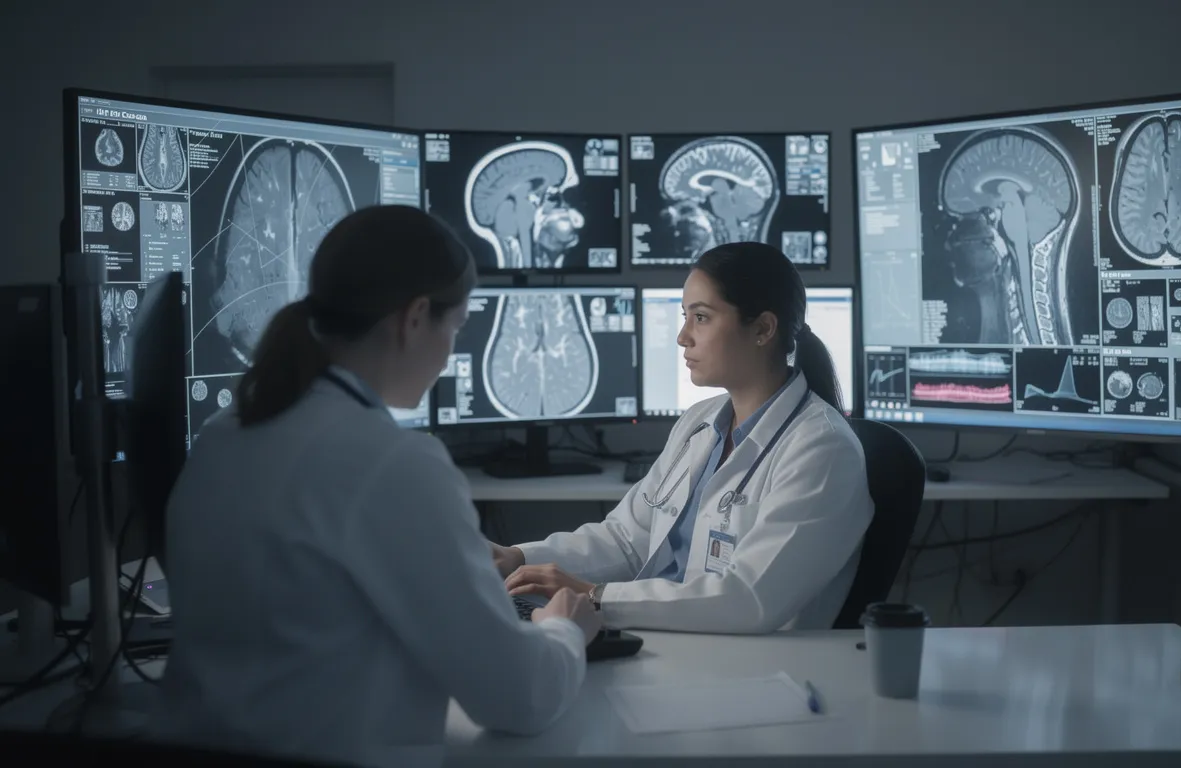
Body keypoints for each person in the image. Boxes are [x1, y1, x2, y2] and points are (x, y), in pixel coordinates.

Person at [153, 206, 601, 765]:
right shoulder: (392, 462)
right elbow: (517, 700)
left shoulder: (228, 431)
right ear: (415, 318)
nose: (451, 352)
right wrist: (565, 633)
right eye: (456, 327)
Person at [492, 242, 874, 634]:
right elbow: (628, 539)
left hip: (750, 667)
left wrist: (595, 596)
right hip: (669, 639)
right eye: (684, 317)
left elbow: (748, 599)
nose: (682, 337)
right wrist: (518, 557)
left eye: (701, 318)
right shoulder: (699, 422)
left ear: (762, 329)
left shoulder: (822, 449)